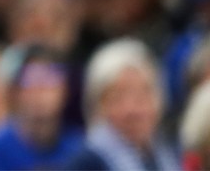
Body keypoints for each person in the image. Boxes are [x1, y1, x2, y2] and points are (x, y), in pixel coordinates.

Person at [61, 37, 180, 171]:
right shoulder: (87, 163)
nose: (132, 110)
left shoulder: (171, 151)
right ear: (98, 107)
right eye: (118, 98)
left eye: (142, 96)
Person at [0, 43, 83, 170]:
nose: (40, 90)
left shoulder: (79, 146)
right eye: (30, 81)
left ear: (64, 90)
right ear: (14, 92)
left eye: (50, 80)